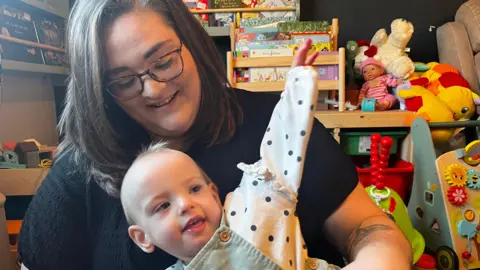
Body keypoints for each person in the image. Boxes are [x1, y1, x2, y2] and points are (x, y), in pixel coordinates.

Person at [17, 1, 412, 269]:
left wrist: (380, 257)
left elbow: (369, 228)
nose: (154, 89)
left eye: (164, 61)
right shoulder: (81, 165)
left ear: (191, 44)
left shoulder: (276, 126)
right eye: (122, 81)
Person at [120, 66, 340, 269]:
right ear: (143, 237)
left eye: (195, 189)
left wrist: (297, 88)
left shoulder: (252, 207)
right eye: (162, 206)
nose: (186, 204)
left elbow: (282, 150)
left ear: (215, 196)